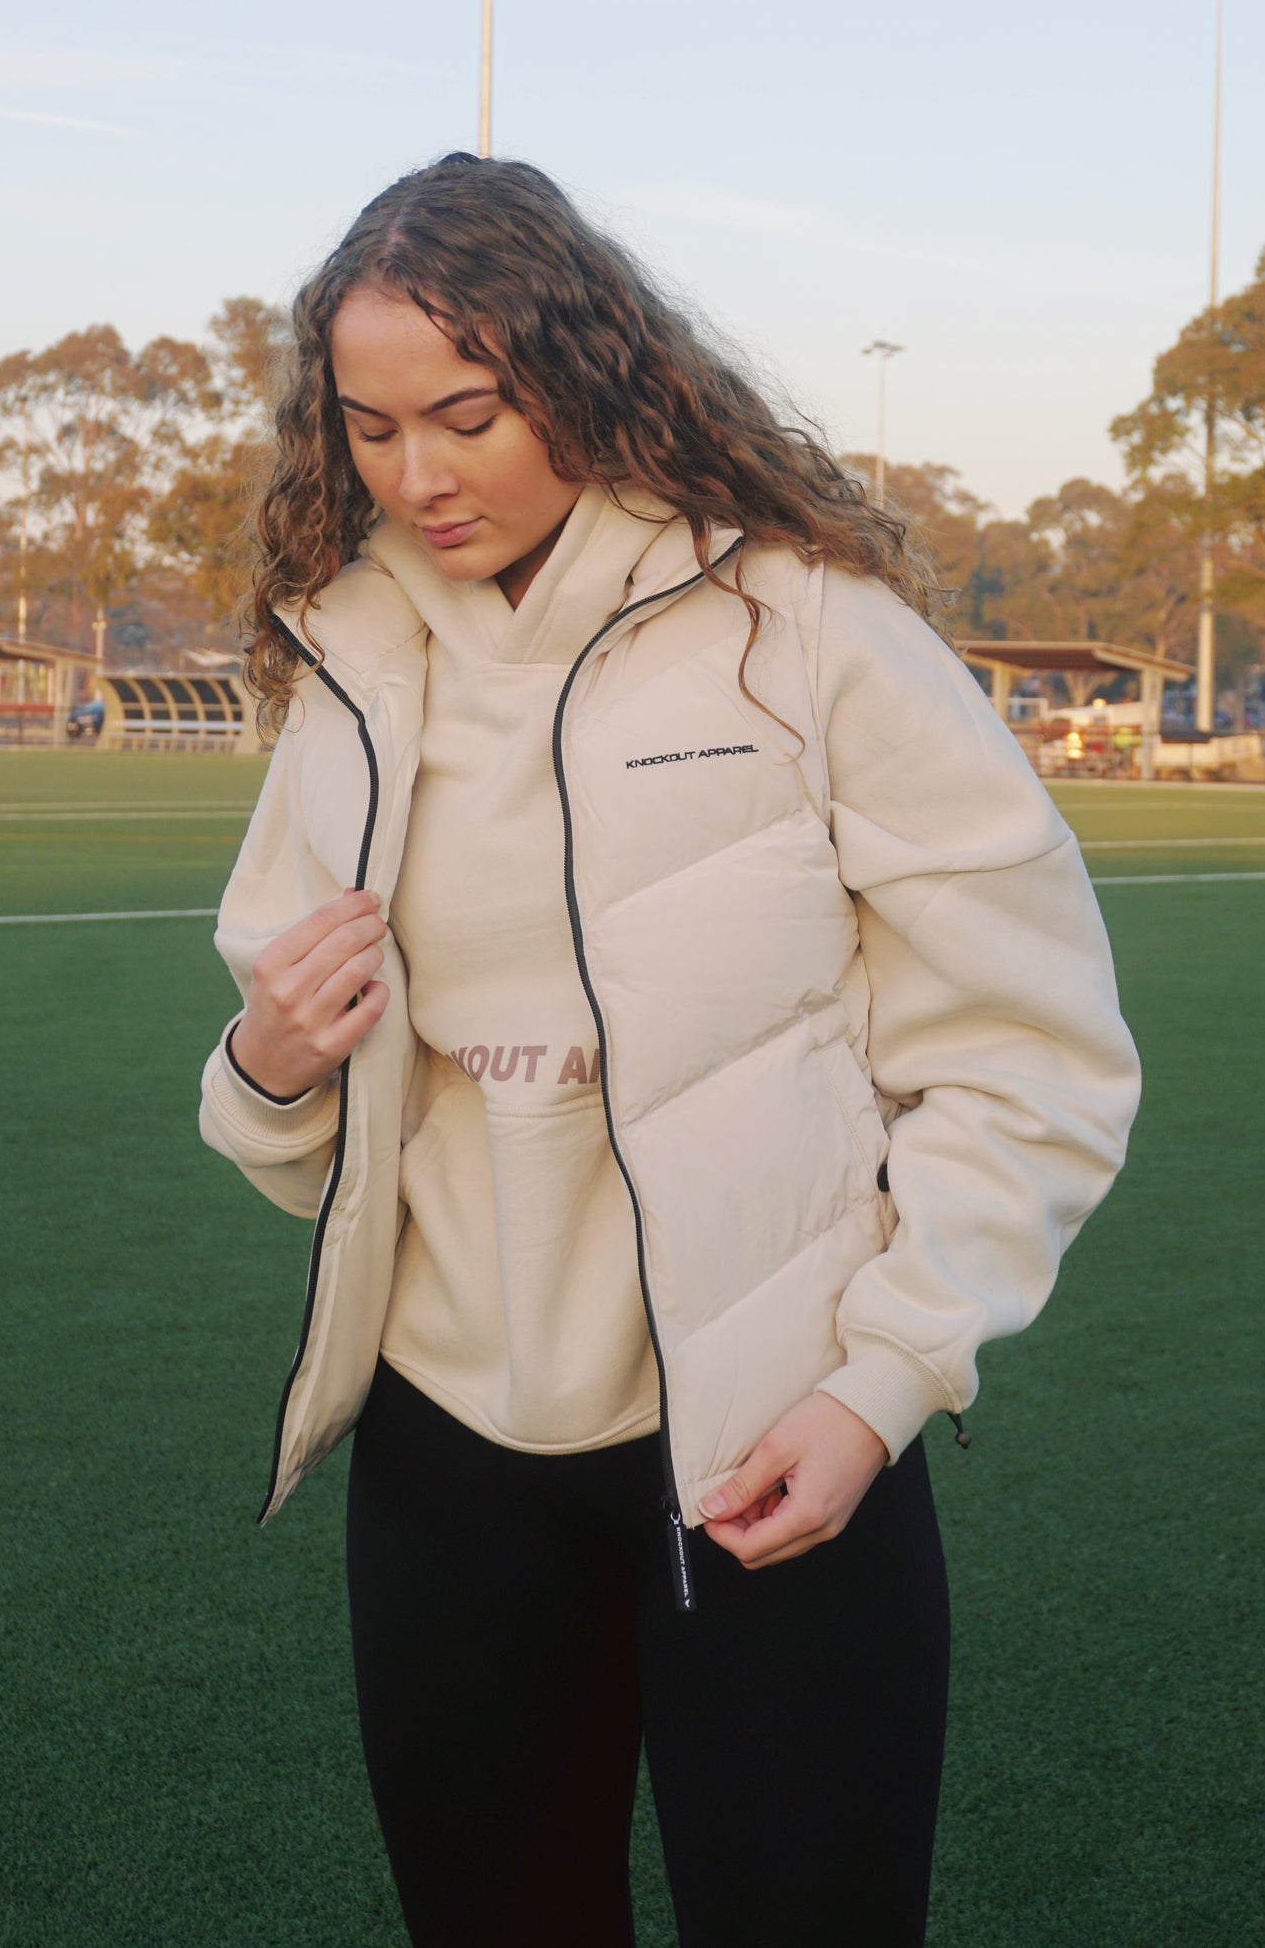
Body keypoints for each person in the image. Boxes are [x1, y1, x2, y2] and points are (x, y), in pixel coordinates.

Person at [199, 155, 1140, 1948]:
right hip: (444, 1452)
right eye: (372, 425)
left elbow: (1036, 1055)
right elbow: (295, 1108)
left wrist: (875, 1388)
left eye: (466, 414)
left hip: (772, 1446)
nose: (415, 474)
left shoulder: (803, 625)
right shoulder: (347, 659)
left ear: (580, 367)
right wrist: (269, 1066)